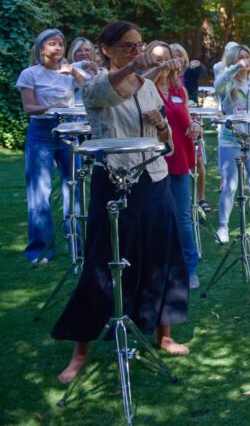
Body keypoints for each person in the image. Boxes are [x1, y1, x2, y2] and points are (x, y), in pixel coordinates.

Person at [52, 21, 189, 384]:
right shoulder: (94, 85)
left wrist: (161, 125)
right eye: (127, 46)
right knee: (103, 262)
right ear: (106, 49)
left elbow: (167, 142)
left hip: (154, 179)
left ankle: (164, 335)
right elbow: (109, 92)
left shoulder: (148, 89)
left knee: (162, 255)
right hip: (114, 181)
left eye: (138, 45)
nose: (135, 51)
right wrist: (135, 65)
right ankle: (79, 351)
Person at [16, 29, 88, 263]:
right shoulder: (30, 74)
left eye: (61, 44)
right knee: (40, 191)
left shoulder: (69, 72)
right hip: (42, 131)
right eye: (52, 44)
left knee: (74, 188)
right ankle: (41, 249)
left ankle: (77, 245)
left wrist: (75, 71)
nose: (58, 48)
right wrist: (52, 107)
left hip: (68, 131)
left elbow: (91, 90)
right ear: (40, 48)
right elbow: (29, 108)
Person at [148, 42, 202, 289]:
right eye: (158, 58)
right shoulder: (144, 89)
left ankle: (189, 269)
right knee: (155, 217)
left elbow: (186, 120)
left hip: (179, 158)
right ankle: (157, 268)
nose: (165, 63)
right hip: (153, 161)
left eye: (167, 58)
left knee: (183, 218)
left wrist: (194, 126)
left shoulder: (179, 90)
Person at [214, 43, 250, 242]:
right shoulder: (227, 83)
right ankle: (223, 227)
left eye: (247, 56)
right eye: (240, 57)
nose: (245, 60)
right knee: (230, 184)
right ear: (232, 61)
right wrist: (235, 67)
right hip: (231, 139)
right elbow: (218, 86)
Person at [172, 43, 210, 214]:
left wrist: (198, 64)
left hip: (191, 118)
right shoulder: (163, 77)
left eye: (180, 54)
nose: (177, 58)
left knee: (198, 160)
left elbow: (199, 70)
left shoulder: (188, 73)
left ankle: (201, 198)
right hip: (173, 121)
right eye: (174, 55)